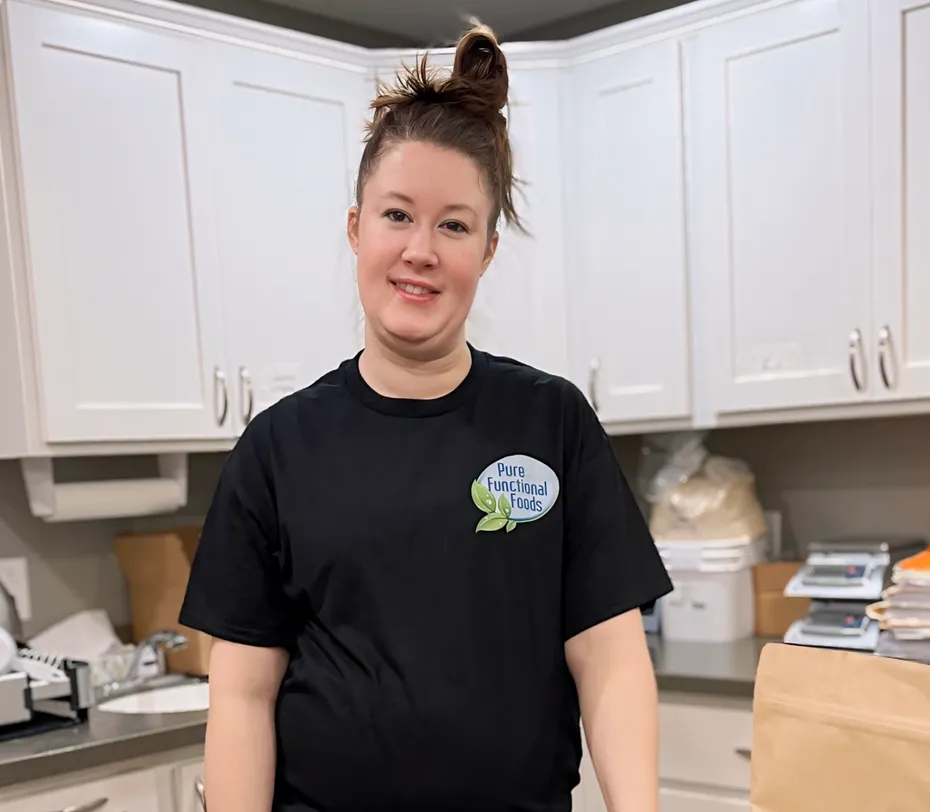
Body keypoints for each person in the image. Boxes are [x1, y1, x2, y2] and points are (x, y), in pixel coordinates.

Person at [178, 22, 673, 812]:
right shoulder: (277, 448)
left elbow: (608, 660)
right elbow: (241, 695)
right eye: (397, 215)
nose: (421, 250)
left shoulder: (552, 424)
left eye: (454, 224)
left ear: (486, 251)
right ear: (356, 229)